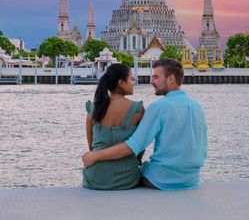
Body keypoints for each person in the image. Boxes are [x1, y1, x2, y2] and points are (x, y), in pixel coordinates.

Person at [82, 59, 208, 190]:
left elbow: (133, 146)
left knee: (144, 169)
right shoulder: (197, 106)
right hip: (192, 178)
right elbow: (203, 148)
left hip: (162, 179)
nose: (151, 82)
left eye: (155, 77)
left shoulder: (158, 107)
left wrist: (95, 155)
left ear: (171, 79)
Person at [82, 63, 144, 190]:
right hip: (127, 179)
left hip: (95, 178)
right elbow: (140, 146)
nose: (133, 82)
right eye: (131, 79)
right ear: (121, 83)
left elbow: (92, 146)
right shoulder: (137, 109)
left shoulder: (94, 109)